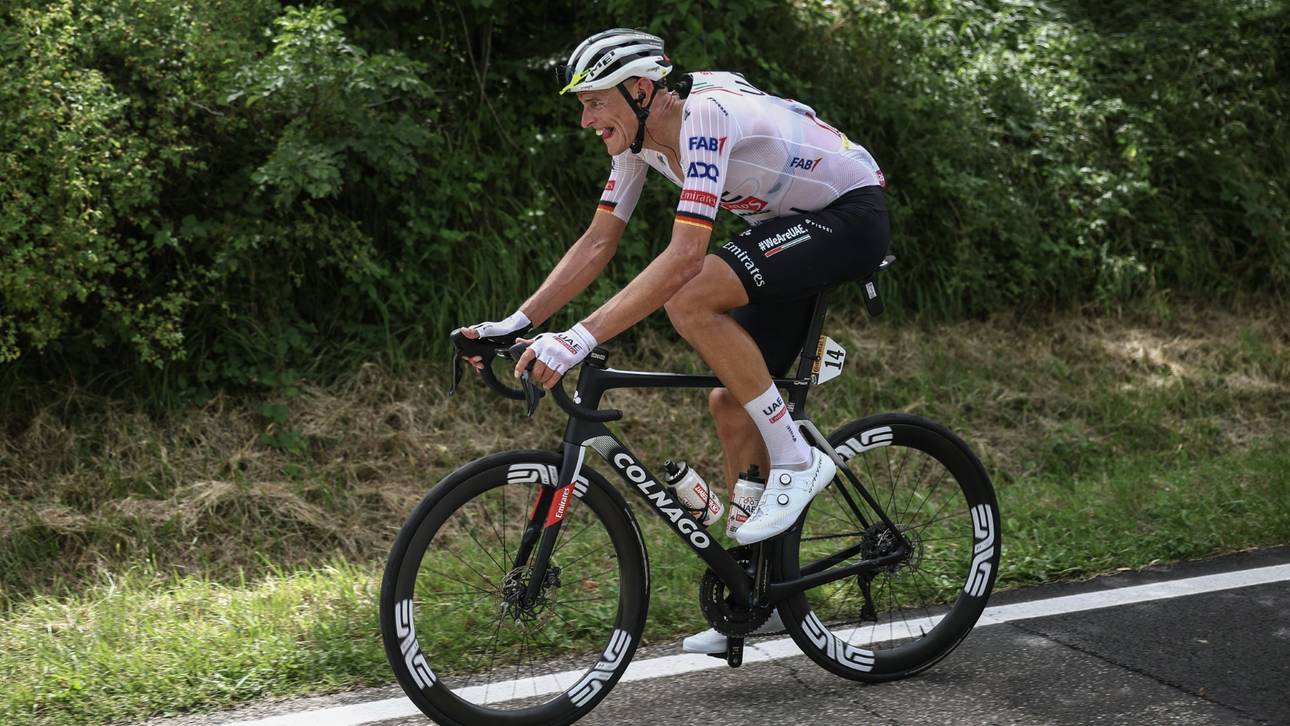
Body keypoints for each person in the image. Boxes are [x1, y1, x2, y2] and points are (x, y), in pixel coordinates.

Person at [459, 28, 890, 653]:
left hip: (849, 215)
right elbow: (598, 242)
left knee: (692, 296)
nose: (585, 120)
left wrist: (576, 339)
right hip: (786, 225)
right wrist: (517, 323)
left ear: (639, 91)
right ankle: (763, 591)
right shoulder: (637, 143)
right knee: (732, 404)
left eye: (593, 102)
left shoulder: (703, 118)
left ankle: (797, 458)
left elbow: (687, 256)